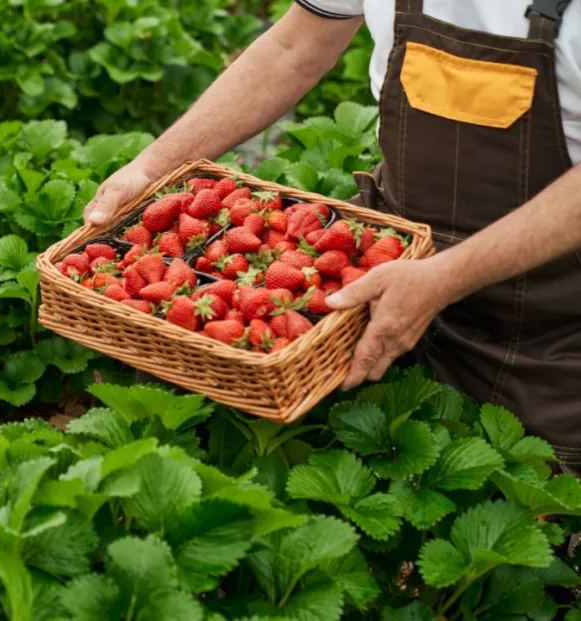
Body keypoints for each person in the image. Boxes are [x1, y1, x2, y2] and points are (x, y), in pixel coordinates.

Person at [84, 0, 581, 468]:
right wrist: (151, 168)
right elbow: (292, 50)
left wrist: (446, 275)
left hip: (555, 310)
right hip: (384, 271)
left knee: (532, 493)